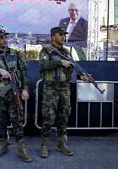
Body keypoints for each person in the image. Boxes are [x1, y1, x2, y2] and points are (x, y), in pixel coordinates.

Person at [39, 27, 90, 158]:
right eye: (60, 34)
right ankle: (44, 145)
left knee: (64, 116)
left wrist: (81, 77)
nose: (63, 37)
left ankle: (61, 143)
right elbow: (44, 66)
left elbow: (72, 70)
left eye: (64, 35)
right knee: (48, 118)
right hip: (50, 88)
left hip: (65, 89)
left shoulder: (67, 52)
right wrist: (60, 61)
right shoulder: (46, 51)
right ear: (53, 36)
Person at [0, 29, 32, 162]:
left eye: (5, 37)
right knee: (0, 120)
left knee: (17, 121)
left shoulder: (15, 54)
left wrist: (25, 89)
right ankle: (3, 144)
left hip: (14, 92)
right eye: (1, 38)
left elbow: (24, 72)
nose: (4, 40)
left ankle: (22, 148)